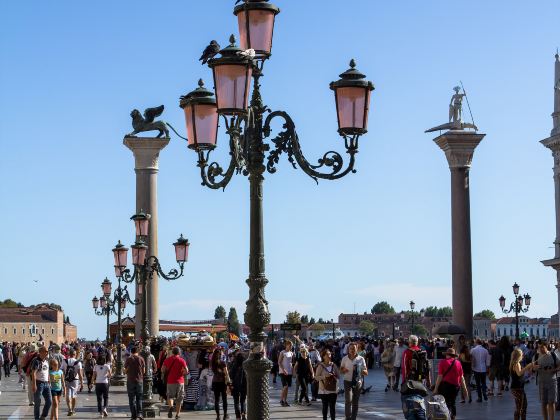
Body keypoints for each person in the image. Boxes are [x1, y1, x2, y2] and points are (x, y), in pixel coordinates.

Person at [433, 348, 468, 420]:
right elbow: (461, 377)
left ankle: (446, 416)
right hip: (456, 387)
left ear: (447, 355)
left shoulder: (443, 362)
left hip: (446, 386)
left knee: (445, 402)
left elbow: (440, 376)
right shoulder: (458, 363)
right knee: (453, 402)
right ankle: (453, 416)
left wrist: (436, 388)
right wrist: (465, 389)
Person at [400, 335, 427, 420]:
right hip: (420, 382)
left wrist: (404, 382)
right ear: (417, 342)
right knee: (420, 401)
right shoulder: (422, 351)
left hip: (409, 382)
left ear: (410, 342)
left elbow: (404, 368)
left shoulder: (407, 352)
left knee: (408, 406)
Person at [340, 342, 368, 420]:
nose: (352, 350)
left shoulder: (361, 359)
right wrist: (344, 370)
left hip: (357, 381)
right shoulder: (344, 358)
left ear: (357, 349)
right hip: (347, 381)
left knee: (355, 401)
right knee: (348, 400)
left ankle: (353, 418)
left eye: (354, 349)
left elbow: (366, 372)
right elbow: (341, 370)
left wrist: (359, 370)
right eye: (351, 348)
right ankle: (348, 417)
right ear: (348, 349)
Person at [533, 339, 559, 420]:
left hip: (552, 381)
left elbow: (559, 366)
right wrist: (534, 367)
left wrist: (553, 370)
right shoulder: (536, 356)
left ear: (546, 346)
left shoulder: (553, 355)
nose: (541, 349)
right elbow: (532, 369)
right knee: (544, 403)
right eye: (539, 347)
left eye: (542, 347)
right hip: (542, 381)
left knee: (551, 402)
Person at [162, 346, 188, 420]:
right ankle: (177, 414)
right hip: (180, 381)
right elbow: (186, 371)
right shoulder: (182, 360)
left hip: (170, 381)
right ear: (179, 352)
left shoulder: (167, 360)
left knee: (170, 396)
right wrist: (182, 373)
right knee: (179, 399)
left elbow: (162, 370)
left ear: (172, 352)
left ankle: (171, 407)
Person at [314, 348, 340, 420]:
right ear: (323, 356)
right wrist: (325, 376)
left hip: (333, 389)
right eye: (327, 354)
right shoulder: (320, 366)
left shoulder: (334, 365)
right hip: (323, 390)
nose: (329, 355)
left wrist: (333, 375)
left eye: (330, 354)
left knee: (332, 407)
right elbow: (316, 377)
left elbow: (338, 376)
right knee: (325, 407)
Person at [510, 348, 534, 420]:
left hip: (518, 387)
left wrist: (530, 368)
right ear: (518, 356)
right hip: (517, 388)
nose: (523, 356)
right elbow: (519, 373)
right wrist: (527, 367)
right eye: (522, 355)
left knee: (522, 406)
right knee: (520, 407)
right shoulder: (516, 364)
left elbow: (521, 373)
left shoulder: (514, 363)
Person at [124, 346, 145, 420]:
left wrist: (128, 371)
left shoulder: (128, 359)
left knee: (131, 399)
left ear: (131, 352)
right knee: (139, 398)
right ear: (137, 352)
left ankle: (133, 415)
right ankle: (139, 413)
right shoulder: (141, 359)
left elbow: (125, 371)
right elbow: (144, 371)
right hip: (139, 380)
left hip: (130, 380)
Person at [31, 346, 52, 420]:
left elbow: (47, 372)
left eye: (47, 351)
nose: (47, 352)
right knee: (37, 403)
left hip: (46, 384)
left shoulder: (46, 360)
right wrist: (34, 384)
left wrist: (49, 381)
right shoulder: (36, 361)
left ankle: (43, 416)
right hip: (39, 384)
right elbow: (33, 373)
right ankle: (36, 418)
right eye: (46, 351)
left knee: (49, 401)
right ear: (41, 352)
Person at [62, 348, 83, 417]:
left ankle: (69, 408)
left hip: (67, 379)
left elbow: (62, 371)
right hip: (75, 380)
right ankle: (73, 409)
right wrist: (82, 383)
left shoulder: (64, 361)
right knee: (74, 395)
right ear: (75, 354)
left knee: (68, 395)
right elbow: (80, 374)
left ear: (69, 354)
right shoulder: (78, 362)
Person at [211, 347, 230, 420]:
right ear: (220, 354)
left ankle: (218, 416)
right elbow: (226, 373)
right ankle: (225, 415)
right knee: (224, 399)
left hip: (215, 382)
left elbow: (213, 371)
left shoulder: (212, 363)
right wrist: (229, 382)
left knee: (216, 400)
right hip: (223, 382)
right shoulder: (223, 362)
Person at [470, 338, 490, 402]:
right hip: (483, 369)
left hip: (476, 369)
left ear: (476, 343)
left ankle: (479, 397)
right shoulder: (485, 350)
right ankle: (484, 392)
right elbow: (487, 361)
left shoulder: (473, 350)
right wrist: (487, 368)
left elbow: (470, 358)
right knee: (483, 382)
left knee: (478, 384)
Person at [229, 351, 247, 420]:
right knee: (243, 400)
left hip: (235, 385)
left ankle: (238, 416)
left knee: (236, 401)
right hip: (244, 385)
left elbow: (231, 375)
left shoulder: (234, 365)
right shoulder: (245, 366)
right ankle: (243, 413)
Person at [92, 354, 111, 418]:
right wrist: (107, 374)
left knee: (99, 398)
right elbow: (110, 375)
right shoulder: (107, 366)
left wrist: (91, 382)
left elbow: (94, 375)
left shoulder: (96, 366)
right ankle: (105, 408)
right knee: (106, 397)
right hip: (105, 383)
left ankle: (101, 413)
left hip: (98, 383)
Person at [278, 340, 294, 407]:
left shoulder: (291, 353)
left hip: (289, 371)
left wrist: (293, 371)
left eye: (291, 345)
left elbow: (291, 363)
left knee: (287, 388)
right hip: (283, 372)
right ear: (286, 345)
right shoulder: (282, 352)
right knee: (285, 386)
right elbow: (279, 362)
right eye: (289, 345)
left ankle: (285, 401)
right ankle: (281, 400)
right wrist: (283, 369)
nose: (290, 346)